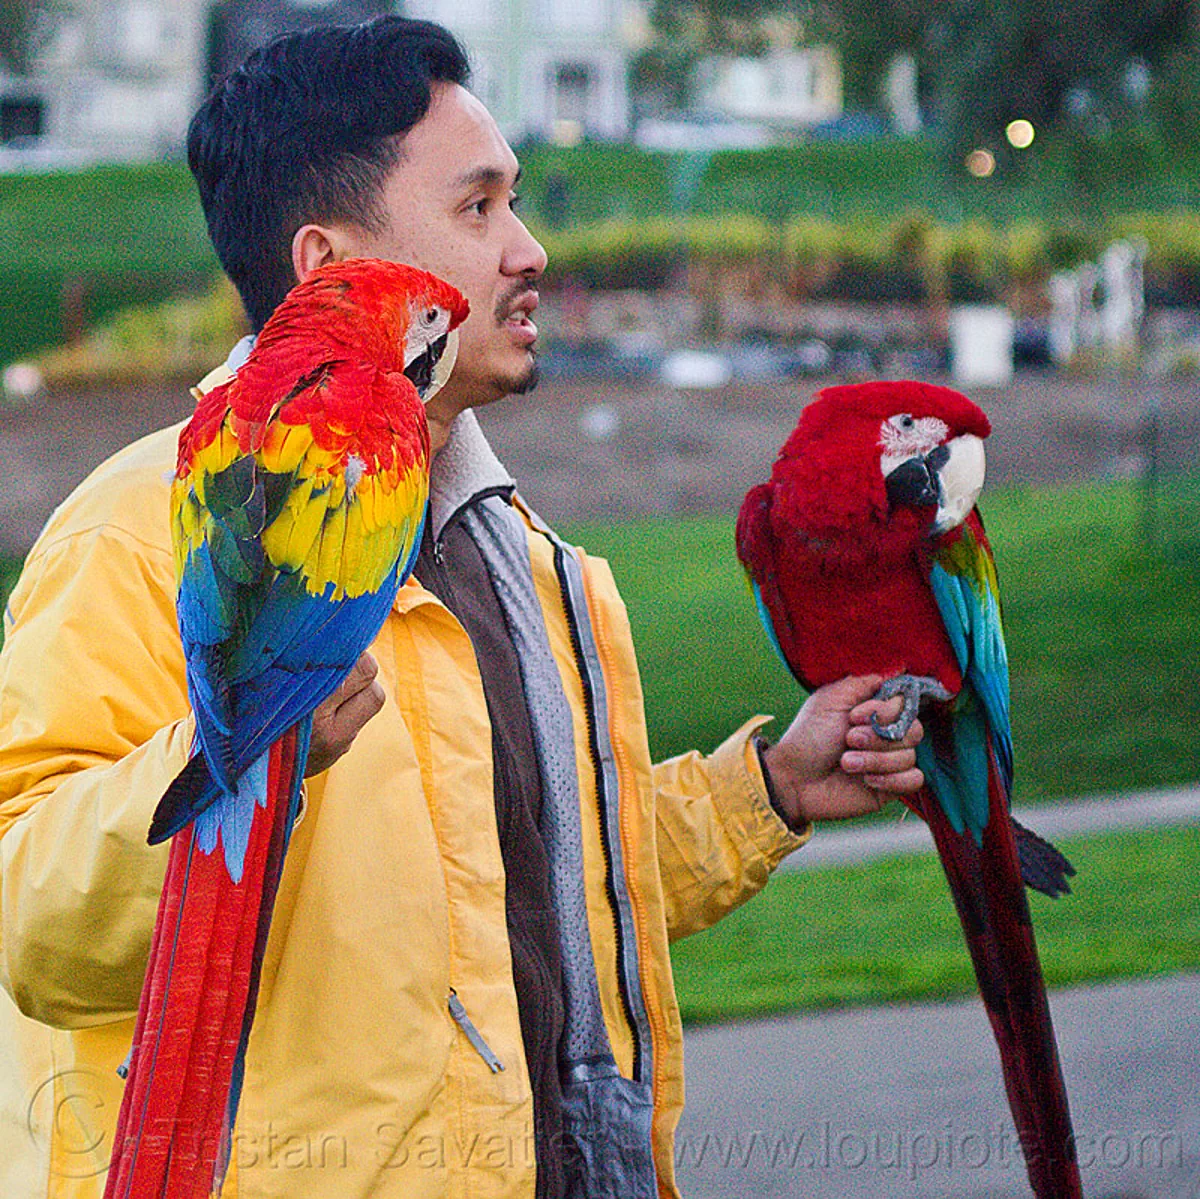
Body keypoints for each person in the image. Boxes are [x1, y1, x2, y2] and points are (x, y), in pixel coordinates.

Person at [0, 18, 924, 1199]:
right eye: (478, 209)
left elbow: (547, 888)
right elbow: (31, 927)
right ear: (330, 269)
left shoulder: (532, 556)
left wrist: (773, 789)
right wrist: (234, 753)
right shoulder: (138, 526)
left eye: (516, 203)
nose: (530, 250)